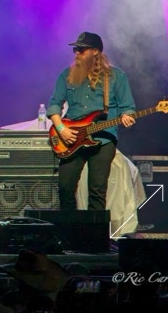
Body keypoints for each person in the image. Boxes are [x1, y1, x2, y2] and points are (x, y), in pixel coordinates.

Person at [47, 31, 136, 211]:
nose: (77, 53)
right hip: (71, 138)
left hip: (103, 139)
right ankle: (70, 228)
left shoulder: (116, 76)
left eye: (82, 50)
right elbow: (55, 104)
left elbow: (128, 107)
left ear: (95, 51)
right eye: (75, 50)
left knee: (97, 191)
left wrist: (128, 116)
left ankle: (94, 229)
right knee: (65, 188)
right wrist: (61, 128)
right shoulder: (66, 75)